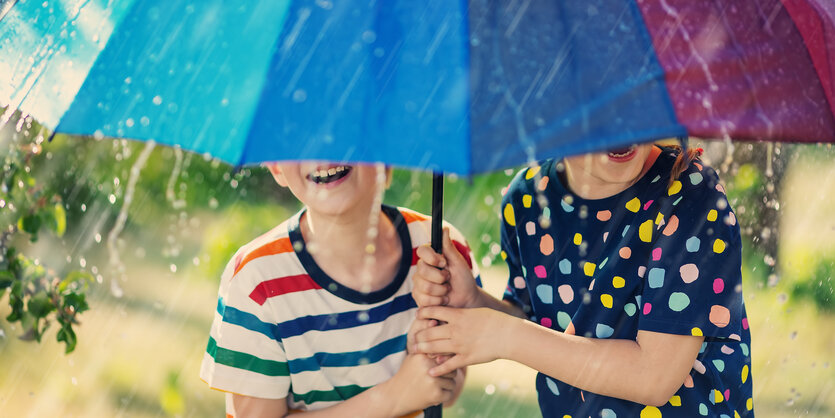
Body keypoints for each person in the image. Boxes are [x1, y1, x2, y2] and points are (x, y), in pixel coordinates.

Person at [411, 142, 754, 417]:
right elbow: (540, 327)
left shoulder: (690, 196)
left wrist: (504, 335)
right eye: (596, 102)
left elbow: (655, 376)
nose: (623, 124)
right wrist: (474, 302)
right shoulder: (528, 198)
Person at [200, 161, 479, 417]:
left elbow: (449, 389)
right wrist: (393, 396)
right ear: (276, 167)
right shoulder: (257, 282)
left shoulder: (441, 253)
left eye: (345, 127)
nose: (323, 148)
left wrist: (434, 357)